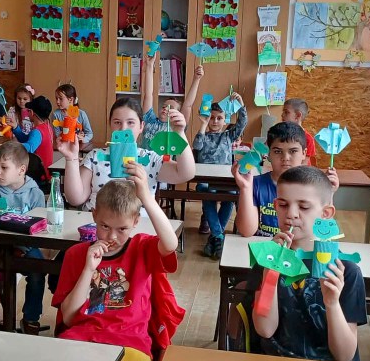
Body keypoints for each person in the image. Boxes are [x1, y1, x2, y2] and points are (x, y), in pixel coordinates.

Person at [52, 175, 180, 361]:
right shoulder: (76, 255)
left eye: (122, 229)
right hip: (81, 339)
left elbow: (170, 244)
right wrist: (88, 269)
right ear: (94, 215)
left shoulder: (142, 247)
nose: (112, 236)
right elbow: (69, 318)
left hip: (130, 345)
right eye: (105, 226)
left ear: (135, 221)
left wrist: (147, 199)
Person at [247, 166, 367, 361]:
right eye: (283, 205)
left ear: (326, 213)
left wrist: (332, 303)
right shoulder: (267, 259)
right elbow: (265, 329)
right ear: (275, 205)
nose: (291, 214)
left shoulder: (345, 271)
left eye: (303, 207)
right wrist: (270, 273)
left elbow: (344, 355)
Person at [60, 97, 195, 212]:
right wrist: (71, 158)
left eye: (130, 123)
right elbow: (75, 199)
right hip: (97, 226)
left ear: (141, 126)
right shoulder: (95, 156)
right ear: (110, 124)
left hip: (138, 228)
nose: (123, 128)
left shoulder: (150, 159)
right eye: (117, 122)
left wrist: (179, 133)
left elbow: (186, 173)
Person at [0, 141, 46, 334]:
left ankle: (31, 318)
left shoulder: (35, 194)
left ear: (21, 170)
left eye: (4, 167)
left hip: (26, 246)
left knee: (38, 272)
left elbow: (38, 226)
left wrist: (22, 247)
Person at [234, 122, 338, 237]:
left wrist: (329, 193)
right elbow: (246, 231)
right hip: (265, 246)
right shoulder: (255, 184)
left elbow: (323, 233)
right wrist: (245, 188)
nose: (285, 158)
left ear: (304, 153)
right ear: (268, 154)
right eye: (277, 151)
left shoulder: (312, 187)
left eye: (293, 151)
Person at [192, 92, 247, 258]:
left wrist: (241, 105)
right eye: (211, 118)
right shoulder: (203, 136)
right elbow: (197, 146)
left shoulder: (228, 136)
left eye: (219, 118)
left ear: (225, 120)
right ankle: (218, 236)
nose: (215, 121)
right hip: (205, 180)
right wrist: (203, 124)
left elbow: (242, 123)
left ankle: (215, 237)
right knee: (205, 191)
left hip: (225, 180)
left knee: (231, 195)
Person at [140, 54, 204, 144]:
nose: (165, 109)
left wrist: (196, 79)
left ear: (178, 114)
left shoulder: (177, 126)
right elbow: (148, 95)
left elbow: (188, 105)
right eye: (164, 106)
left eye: (170, 108)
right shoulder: (149, 120)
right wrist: (150, 66)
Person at [0, 95, 54, 169]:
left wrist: (5, 146)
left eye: (28, 110)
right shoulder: (47, 127)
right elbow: (27, 140)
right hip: (45, 171)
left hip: (39, 173)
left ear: (31, 112)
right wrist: (15, 127)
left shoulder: (37, 131)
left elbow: (29, 147)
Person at [280, 98, 317, 165]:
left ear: (298, 115)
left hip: (300, 171)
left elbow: (304, 164)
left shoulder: (308, 139)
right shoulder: (280, 134)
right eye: (283, 112)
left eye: (286, 112)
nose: (282, 115)